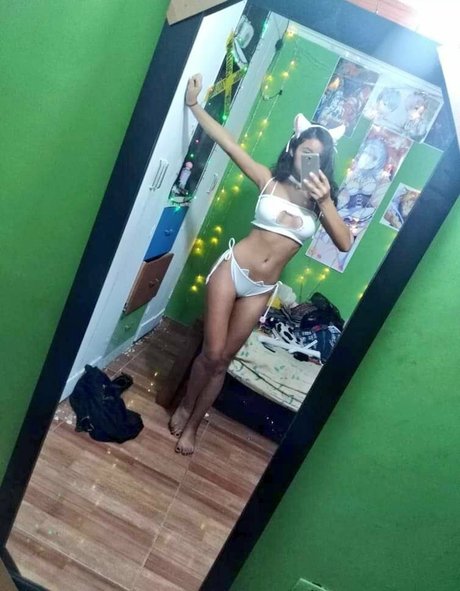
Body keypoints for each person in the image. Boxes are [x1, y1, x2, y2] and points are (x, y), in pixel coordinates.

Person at [169, 73, 353, 454]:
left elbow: (344, 242)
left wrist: (324, 201)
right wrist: (194, 105)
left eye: (317, 156)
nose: (308, 159)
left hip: (262, 288)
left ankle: (194, 426)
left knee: (224, 361)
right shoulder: (268, 180)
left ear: (324, 162)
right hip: (232, 269)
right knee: (211, 352)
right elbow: (228, 144)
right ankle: (185, 404)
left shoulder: (321, 203)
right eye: (305, 151)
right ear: (293, 148)